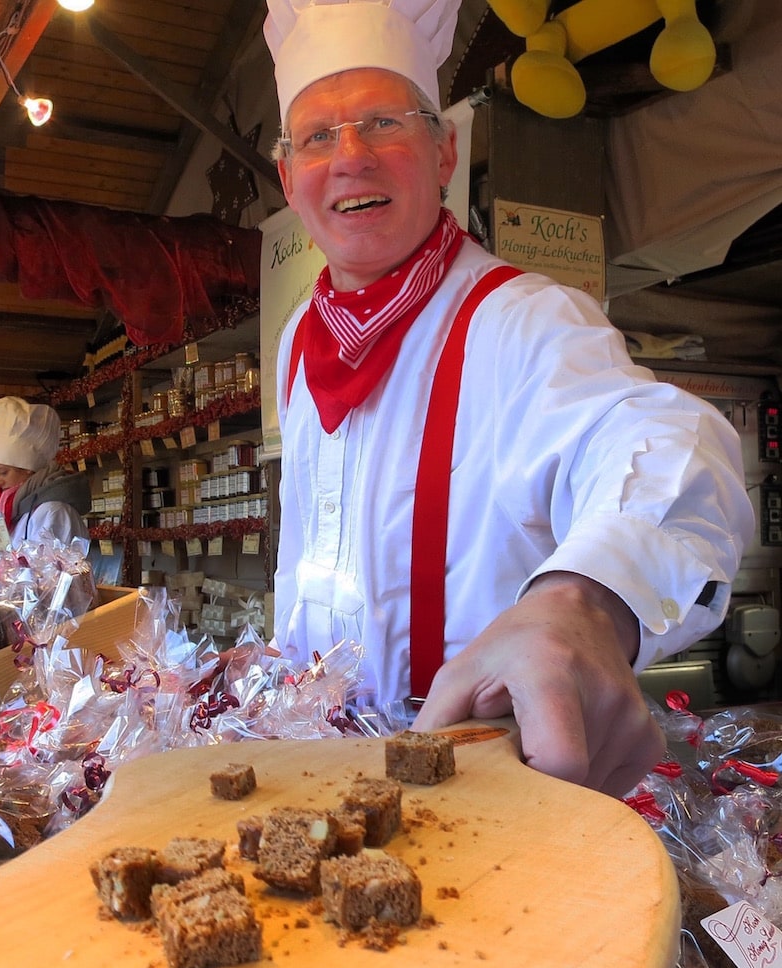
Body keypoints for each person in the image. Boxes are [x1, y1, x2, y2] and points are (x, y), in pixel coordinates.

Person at [263, 0, 755, 796]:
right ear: (290, 179)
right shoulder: (296, 342)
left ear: (444, 148)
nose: (350, 156)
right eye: (318, 135)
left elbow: (666, 442)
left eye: (385, 122)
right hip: (320, 781)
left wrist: (585, 603)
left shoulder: (522, 319)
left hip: (495, 790)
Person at [0, 396, 90, 547]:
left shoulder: (54, 511)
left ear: (27, 468)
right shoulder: (21, 510)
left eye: (3, 472)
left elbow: (52, 568)